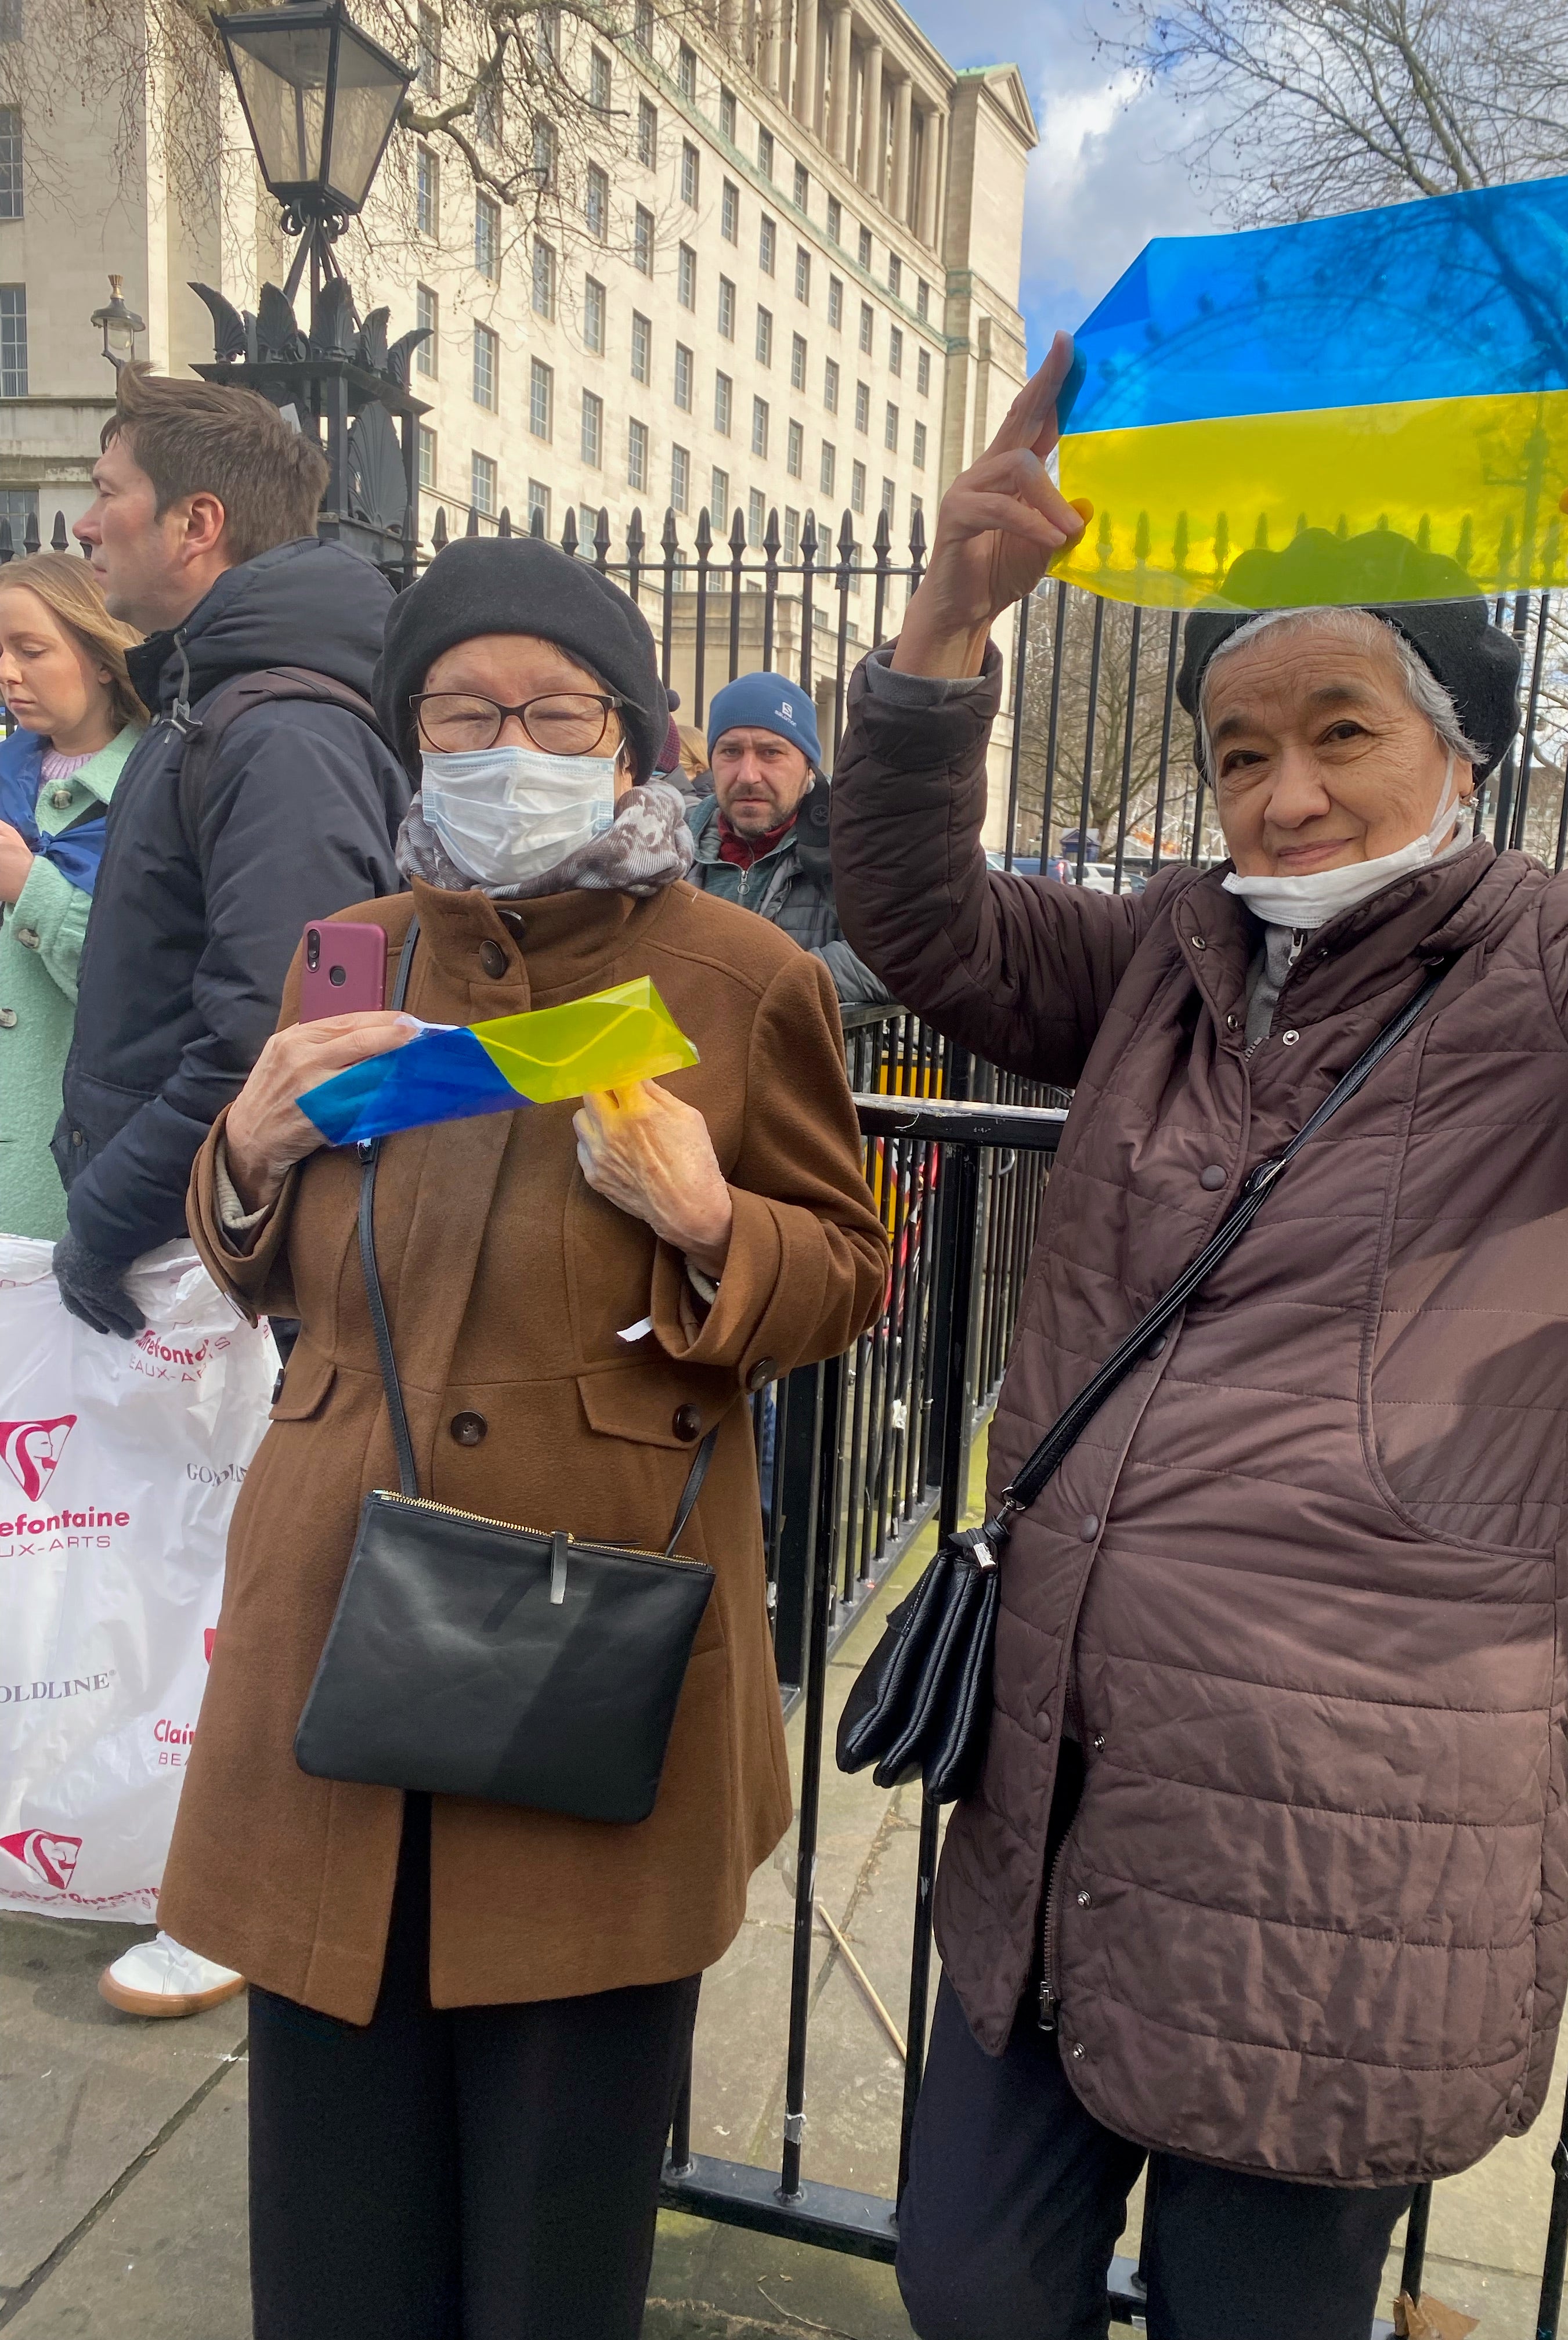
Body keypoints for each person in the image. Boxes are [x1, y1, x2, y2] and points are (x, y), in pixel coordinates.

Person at [828, 252, 1568, 2340]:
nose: (1281, 794)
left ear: (1457, 755)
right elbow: (919, 920)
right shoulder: (1160, 949)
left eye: (1336, 732)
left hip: (1343, 1823)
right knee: (970, 2285)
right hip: (1059, 1776)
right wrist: (946, 629)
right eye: (1238, 750)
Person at [154, 536, 890, 2340]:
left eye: (553, 708)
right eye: (465, 709)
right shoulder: (352, 956)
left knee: (553, 2228)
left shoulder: (736, 976)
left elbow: (855, 1270)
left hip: (594, 1639)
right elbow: (271, 1263)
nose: (508, 739)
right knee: (334, 2210)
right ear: (412, 736)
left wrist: (717, 1221)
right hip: (337, 1626)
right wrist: (243, 1156)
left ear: (628, 735)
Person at [58, 366, 413, 2021]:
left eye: (110, 489)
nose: (85, 524)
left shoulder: (275, 729)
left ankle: (239, 1905)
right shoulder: (231, 708)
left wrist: (115, 1212)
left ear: (198, 524)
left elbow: (274, 1032)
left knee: (243, 1582)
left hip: (217, 1234)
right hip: (189, 1220)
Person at [0, 555, 145, 1238]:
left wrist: (34, 888)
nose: (7, 672)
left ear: (103, 657)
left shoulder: (158, 791)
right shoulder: (8, 773)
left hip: (77, 1174)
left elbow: (151, 991)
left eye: (30, 651)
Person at [687, 670, 888, 1005]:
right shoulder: (670, 844)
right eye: (731, 752)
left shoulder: (852, 844)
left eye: (771, 753)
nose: (748, 775)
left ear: (809, 766)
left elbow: (899, 961)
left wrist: (765, 983)